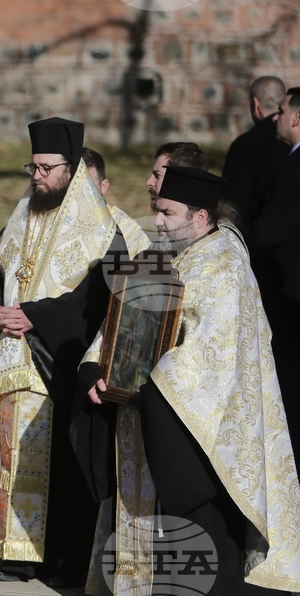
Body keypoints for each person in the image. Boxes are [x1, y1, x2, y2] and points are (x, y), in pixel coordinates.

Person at [84, 167, 300, 594]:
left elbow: (211, 353)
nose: (157, 221)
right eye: (156, 210)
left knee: (203, 541)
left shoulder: (225, 265)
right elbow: (123, 317)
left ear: (200, 217)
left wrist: (148, 384)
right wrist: (96, 364)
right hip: (152, 415)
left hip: (202, 434)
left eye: (167, 212)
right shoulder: (165, 254)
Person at [0, 117, 124, 587]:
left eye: (45, 169)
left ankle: (62, 559)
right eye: (32, 168)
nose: (36, 177)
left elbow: (96, 299)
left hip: (59, 363)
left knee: (61, 465)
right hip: (14, 361)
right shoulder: (21, 216)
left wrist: (36, 315)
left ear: (70, 169)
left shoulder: (100, 229)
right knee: (14, 462)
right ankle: (18, 556)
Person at [252, 86, 300, 468]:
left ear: (297, 118)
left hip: (290, 307)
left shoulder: (295, 167)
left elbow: (269, 233)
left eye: (282, 110)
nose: (276, 117)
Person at [221, 76, 290, 236]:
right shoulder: (293, 142)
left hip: (255, 242)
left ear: (255, 104)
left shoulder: (245, 145)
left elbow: (232, 205)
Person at [82, 147, 152, 256]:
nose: (79, 191)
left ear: (103, 186)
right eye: (72, 184)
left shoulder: (127, 231)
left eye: (87, 184)